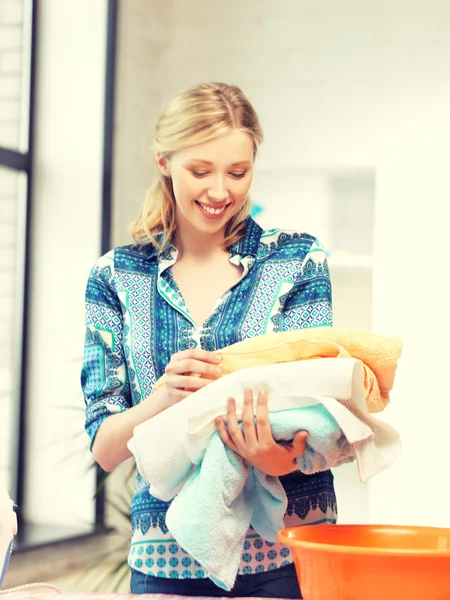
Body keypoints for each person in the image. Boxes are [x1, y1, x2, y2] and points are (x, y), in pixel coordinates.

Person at [81, 82, 336, 598]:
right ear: (164, 163)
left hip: (288, 554)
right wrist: (161, 399)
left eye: (237, 173)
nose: (220, 191)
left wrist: (274, 458)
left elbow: (322, 418)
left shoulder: (297, 263)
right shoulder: (115, 277)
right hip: (166, 560)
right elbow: (105, 449)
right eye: (201, 171)